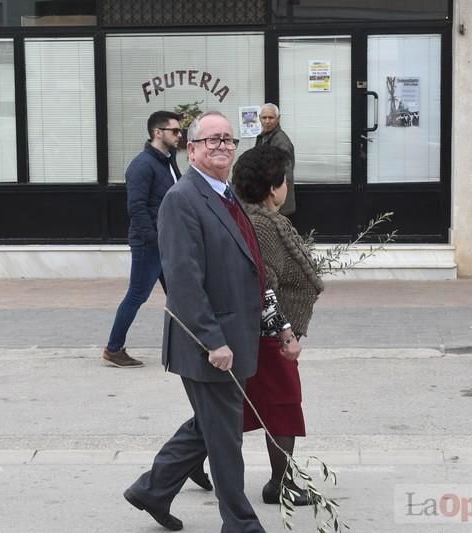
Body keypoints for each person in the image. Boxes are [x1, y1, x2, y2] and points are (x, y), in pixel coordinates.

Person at [124, 111, 297, 532]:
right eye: (211, 140)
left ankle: (153, 489)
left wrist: (279, 325)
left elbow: (253, 268)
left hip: (239, 337)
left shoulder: (227, 194)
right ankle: (240, 523)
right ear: (193, 149)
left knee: (210, 426)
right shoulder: (182, 199)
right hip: (210, 343)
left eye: (228, 139)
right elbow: (183, 279)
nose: (222, 146)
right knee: (224, 438)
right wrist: (212, 340)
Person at [233, 144, 324, 506]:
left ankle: (178, 469)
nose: (287, 186)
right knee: (282, 407)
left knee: (238, 408)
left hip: (266, 333)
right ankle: (280, 484)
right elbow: (263, 285)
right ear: (273, 188)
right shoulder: (263, 226)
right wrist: (284, 332)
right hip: (268, 336)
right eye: (284, 179)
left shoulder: (263, 220)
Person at [102, 111, 182, 368]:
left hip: (168, 241)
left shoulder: (168, 160)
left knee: (181, 293)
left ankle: (191, 345)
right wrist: (154, 239)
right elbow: (136, 207)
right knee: (137, 295)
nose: (179, 135)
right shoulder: (141, 165)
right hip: (150, 243)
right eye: (175, 131)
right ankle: (113, 348)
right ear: (158, 133)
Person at [256, 103, 296, 216]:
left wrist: (276, 199)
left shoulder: (281, 141)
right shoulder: (263, 137)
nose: (267, 121)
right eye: (264, 117)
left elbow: (285, 174)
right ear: (259, 118)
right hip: (267, 199)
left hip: (277, 204)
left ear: (278, 119)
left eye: (271, 117)